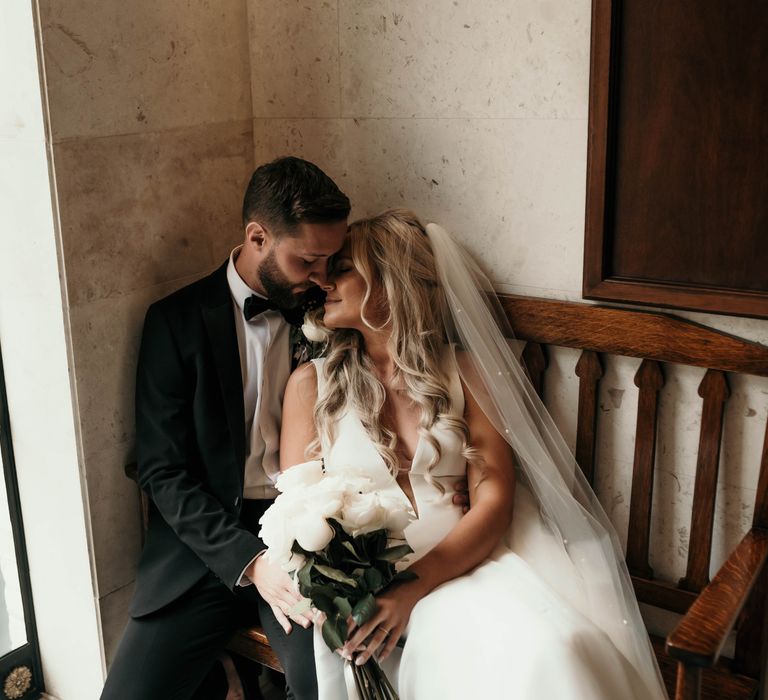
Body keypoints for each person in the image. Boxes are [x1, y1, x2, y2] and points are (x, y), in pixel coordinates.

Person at [279, 209, 669, 699]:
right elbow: (295, 515)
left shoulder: (464, 373)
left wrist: (414, 586)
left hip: (469, 563)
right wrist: (362, 594)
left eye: (342, 270)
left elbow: (495, 497)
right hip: (367, 596)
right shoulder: (309, 387)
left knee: (559, 647)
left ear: (389, 283)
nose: (324, 284)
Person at [101, 156, 350, 700]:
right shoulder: (175, 322)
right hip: (201, 547)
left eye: (331, 260)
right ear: (257, 236)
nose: (324, 278)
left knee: (322, 687)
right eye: (309, 260)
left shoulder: (329, 312)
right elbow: (162, 471)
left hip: (302, 536)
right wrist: (247, 561)